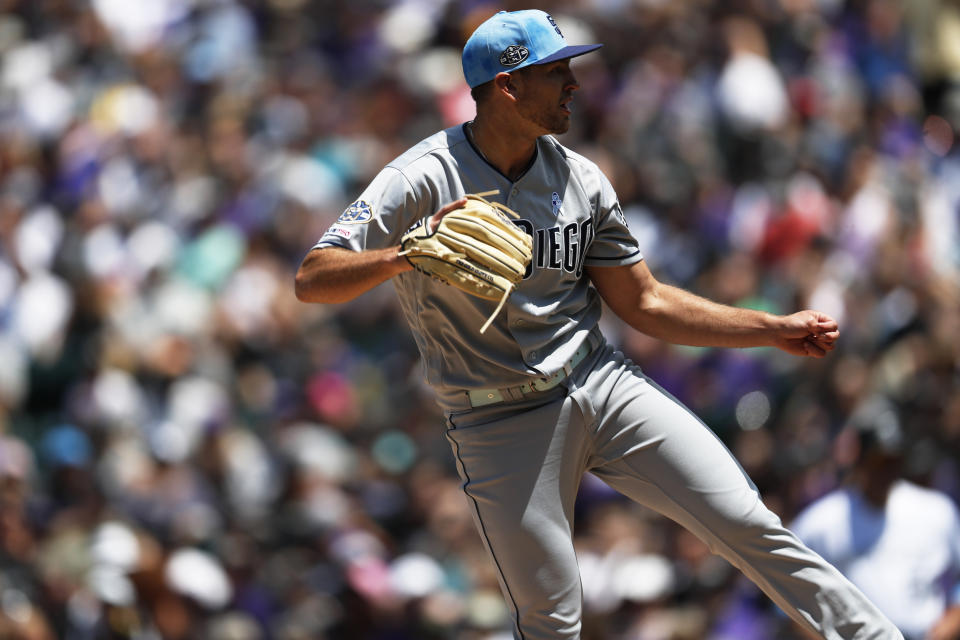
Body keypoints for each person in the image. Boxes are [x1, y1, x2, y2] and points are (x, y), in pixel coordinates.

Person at [295, 9, 903, 639]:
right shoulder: (422, 176)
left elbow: (645, 303)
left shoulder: (580, 178)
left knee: (748, 523)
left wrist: (770, 328)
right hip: (498, 420)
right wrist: (403, 255)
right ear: (508, 87)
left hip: (601, 384)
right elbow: (313, 277)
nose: (574, 84)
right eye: (556, 71)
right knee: (553, 620)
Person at [791, 398, 960, 640]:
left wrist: (953, 620)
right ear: (859, 461)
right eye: (878, 462)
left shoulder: (936, 511)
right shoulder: (821, 522)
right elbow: (790, 600)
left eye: (892, 461)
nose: (885, 471)